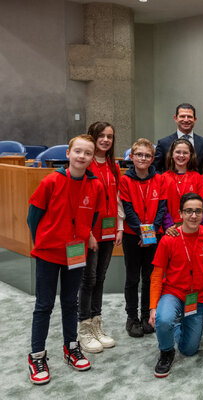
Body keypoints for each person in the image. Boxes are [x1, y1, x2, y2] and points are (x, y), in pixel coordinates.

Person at [27, 134, 105, 384]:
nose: (82, 157)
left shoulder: (95, 185)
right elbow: (33, 218)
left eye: (88, 153)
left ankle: (71, 347)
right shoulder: (50, 181)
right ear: (68, 153)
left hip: (75, 253)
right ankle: (37, 355)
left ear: (93, 157)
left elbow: (92, 215)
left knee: (71, 302)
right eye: (78, 151)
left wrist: (88, 234)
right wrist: (44, 242)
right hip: (49, 253)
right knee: (44, 305)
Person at [149, 193, 203, 378]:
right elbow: (157, 275)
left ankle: (178, 326)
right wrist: (152, 308)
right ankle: (166, 352)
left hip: (198, 297)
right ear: (180, 213)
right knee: (163, 319)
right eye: (188, 211)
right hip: (173, 292)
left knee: (189, 350)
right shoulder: (169, 239)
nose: (193, 216)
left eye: (198, 211)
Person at [77, 122, 123, 354]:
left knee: (101, 277)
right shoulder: (86, 164)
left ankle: (96, 323)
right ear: (93, 137)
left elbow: (116, 199)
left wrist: (119, 227)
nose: (106, 140)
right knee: (89, 279)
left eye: (110, 137)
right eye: (101, 136)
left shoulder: (113, 166)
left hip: (108, 230)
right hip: (90, 233)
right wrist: (88, 233)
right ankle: (84, 327)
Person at [119, 138, 168, 338]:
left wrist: (150, 233)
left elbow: (162, 209)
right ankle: (132, 318)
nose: (143, 158)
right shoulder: (125, 180)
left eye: (147, 155)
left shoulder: (160, 179)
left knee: (150, 277)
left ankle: (147, 314)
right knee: (132, 278)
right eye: (139, 154)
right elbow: (128, 210)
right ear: (131, 157)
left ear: (153, 158)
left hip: (154, 236)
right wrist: (141, 233)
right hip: (132, 236)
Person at [154, 103, 203, 172]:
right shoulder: (163, 143)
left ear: (195, 119)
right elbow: (156, 169)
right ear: (175, 118)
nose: (186, 120)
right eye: (182, 116)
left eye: (189, 117)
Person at [161, 138, 203, 227]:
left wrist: (197, 224)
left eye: (185, 153)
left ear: (190, 155)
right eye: (178, 152)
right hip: (172, 227)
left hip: (193, 224)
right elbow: (163, 206)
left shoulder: (197, 177)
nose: (181, 155)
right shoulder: (164, 177)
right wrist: (169, 225)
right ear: (172, 154)